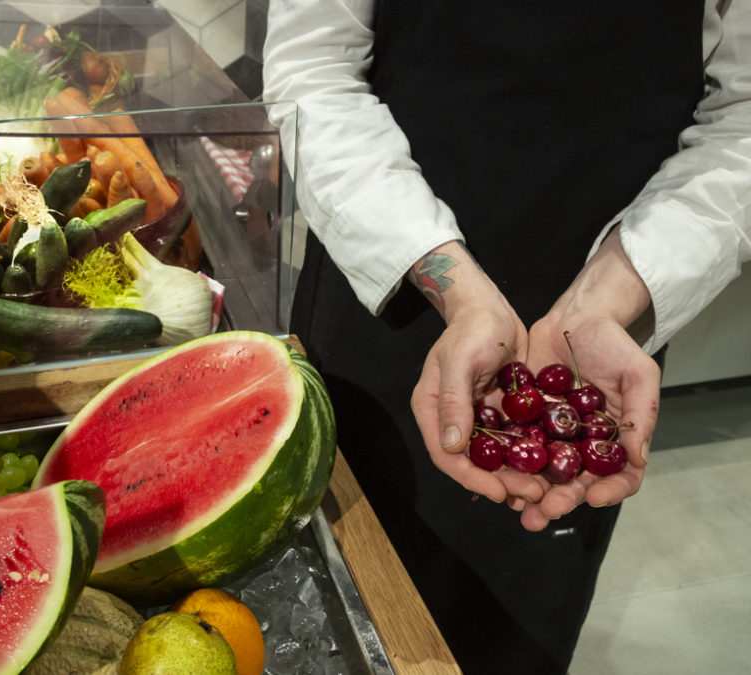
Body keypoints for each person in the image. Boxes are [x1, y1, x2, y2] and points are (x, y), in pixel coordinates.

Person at [262, 1, 751, 673]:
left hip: (596, 338)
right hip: (389, 291)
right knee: (334, 624)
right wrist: (457, 289)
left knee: (513, 636)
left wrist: (610, 293)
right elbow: (314, 67)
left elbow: (744, 116)